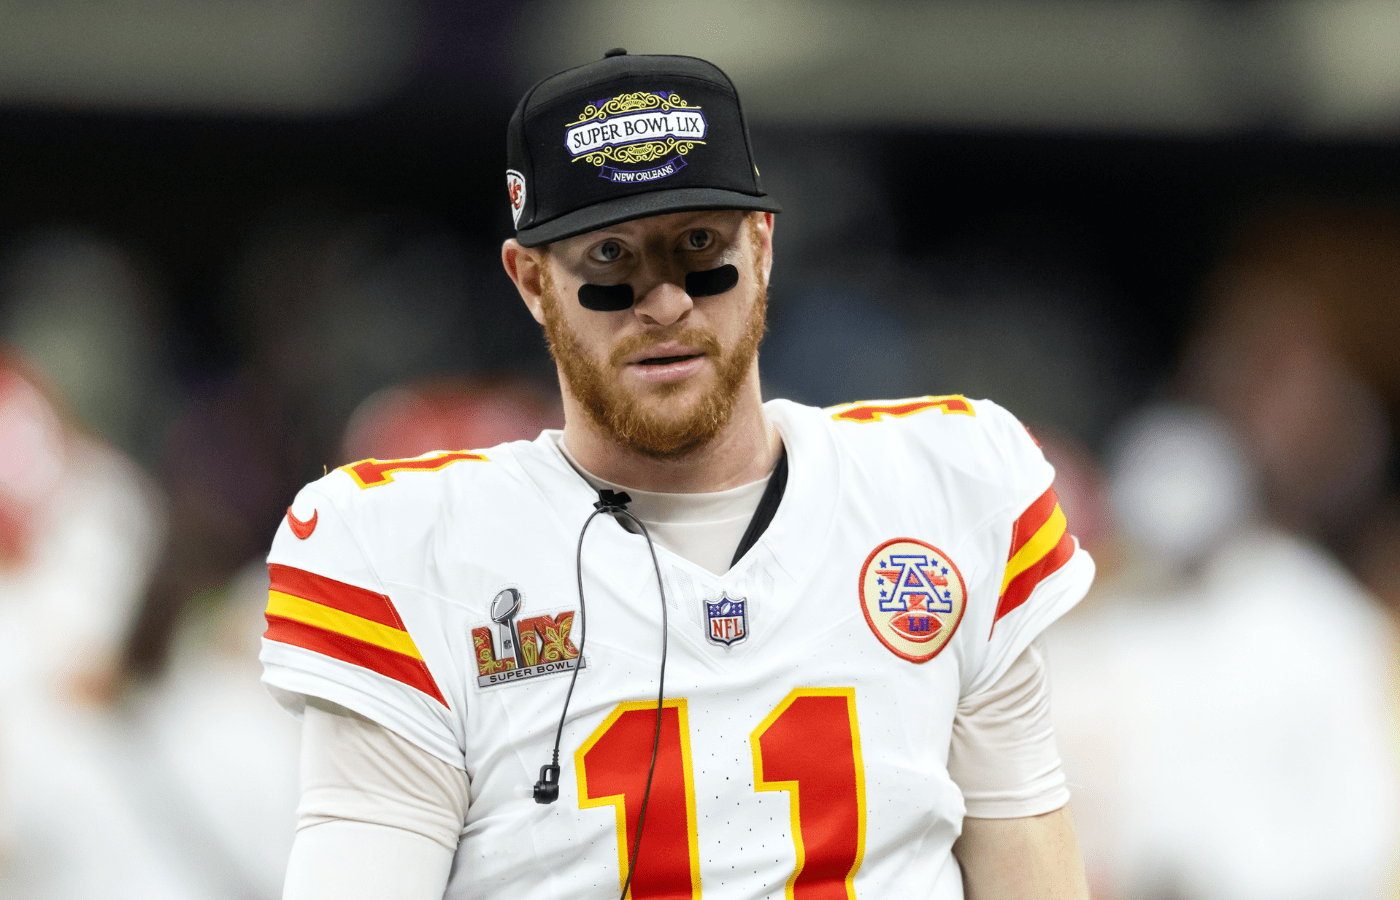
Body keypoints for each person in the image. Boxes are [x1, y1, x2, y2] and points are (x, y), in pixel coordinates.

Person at [261, 50, 1095, 900]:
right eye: (611, 258)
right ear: (533, 282)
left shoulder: (948, 484)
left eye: (699, 245)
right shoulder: (413, 553)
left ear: (762, 249)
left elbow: (1024, 847)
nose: (663, 302)